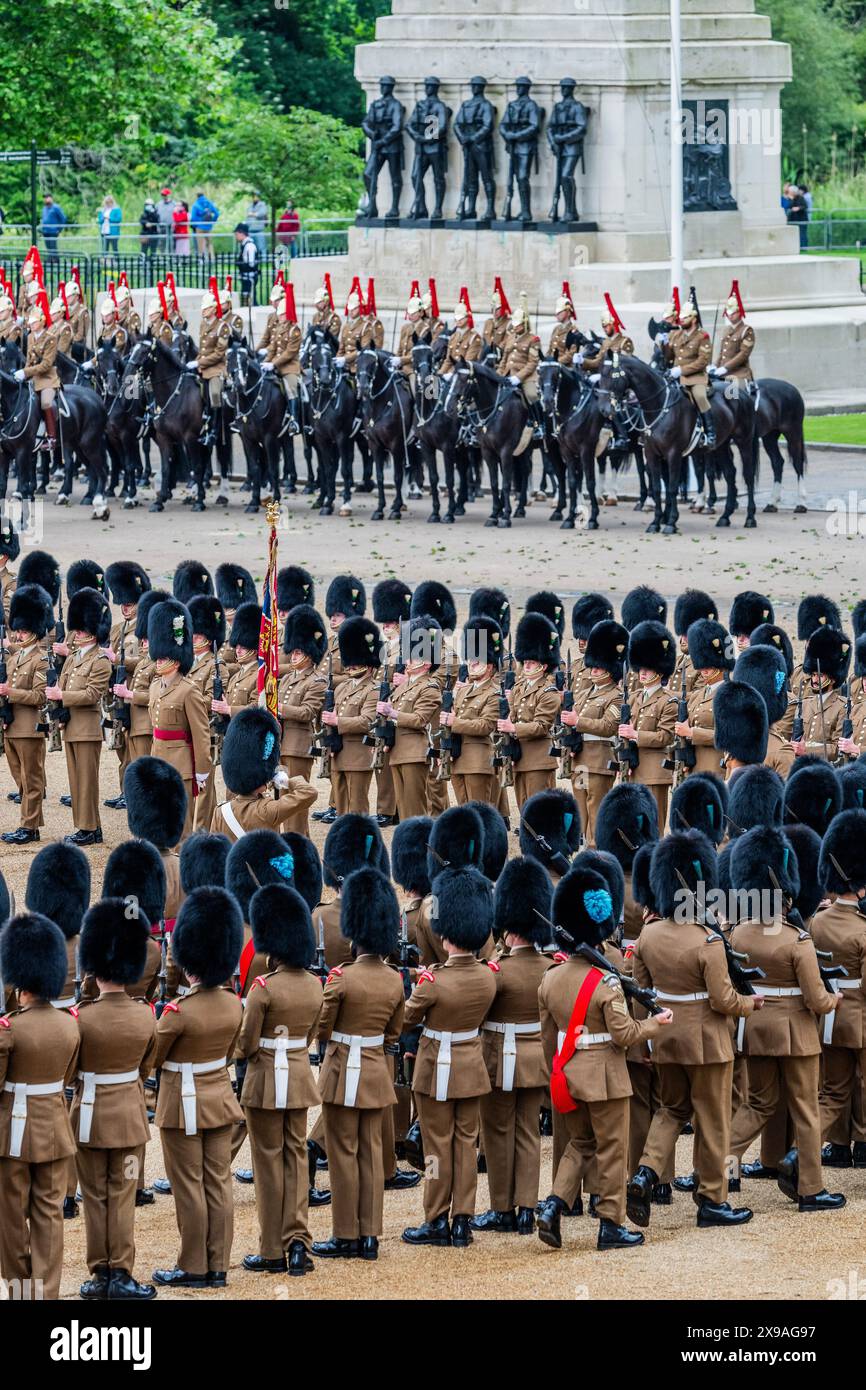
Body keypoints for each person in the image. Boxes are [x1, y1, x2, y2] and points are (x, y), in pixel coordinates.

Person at [536, 865, 672, 1251]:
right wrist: (656, 1026)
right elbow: (625, 1034)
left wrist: (557, 1070)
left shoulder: (551, 977)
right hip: (606, 1075)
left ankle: (553, 1204)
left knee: (580, 1143)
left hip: (569, 1071)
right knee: (612, 1148)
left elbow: (549, 1036)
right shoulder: (607, 982)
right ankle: (611, 1224)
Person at [628, 831, 759, 1230]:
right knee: (713, 1118)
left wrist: (646, 1037)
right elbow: (723, 1001)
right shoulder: (707, 941)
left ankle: (646, 1173)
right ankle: (712, 1199)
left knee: (671, 1109)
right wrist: (751, 1004)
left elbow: (642, 995)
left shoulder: (648, 936)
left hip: (665, 1037)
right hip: (707, 1042)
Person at [727, 827, 844, 1213]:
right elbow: (814, 997)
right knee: (806, 1107)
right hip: (796, 1034)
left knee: (757, 1104)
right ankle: (810, 1189)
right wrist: (833, 1000)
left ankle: (719, 1167)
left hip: (757, 1029)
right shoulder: (797, 939)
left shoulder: (738, 935)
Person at [401, 864, 498, 1248]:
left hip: (436, 1069)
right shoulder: (487, 977)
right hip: (471, 1068)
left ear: (445, 935)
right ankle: (463, 1220)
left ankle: (436, 1217)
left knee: (436, 1149)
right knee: (465, 1144)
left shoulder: (432, 982)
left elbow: (406, 1018)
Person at [152, 887, 244, 1289]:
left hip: (183, 1105)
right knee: (218, 1182)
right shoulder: (233, 1005)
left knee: (189, 1186)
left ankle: (193, 1265)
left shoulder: (178, 1014)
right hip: (220, 1100)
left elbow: (152, 1057)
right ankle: (218, 1263)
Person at [313, 866, 404, 1261]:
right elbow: (394, 1034)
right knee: (370, 1151)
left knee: (342, 1153)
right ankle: (370, 1235)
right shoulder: (394, 979)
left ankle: (345, 1233)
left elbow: (322, 1026)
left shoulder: (341, 978)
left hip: (341, 1070)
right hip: (374, 1071)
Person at [73, 900, 158, 1301]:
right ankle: (121, 1272)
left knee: (94, 1197)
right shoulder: (146, 1016)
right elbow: (146, 1068)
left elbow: (70, 1070)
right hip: (127, 1116)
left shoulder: (81, 1017)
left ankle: (99, 1274)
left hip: (88, 1118)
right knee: (123, 1194)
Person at [237, 883, 323, 1276]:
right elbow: (309, 1037)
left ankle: (272, 1248)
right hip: (299, 1076)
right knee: (296, 1156)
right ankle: (299, 1242)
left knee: (268, 1163)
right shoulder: (314, 985)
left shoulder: (263, 989)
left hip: (266, 1078)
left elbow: (246, 1043)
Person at [0, 913, 80, 1301]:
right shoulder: (70, 1025)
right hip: (54, 1128)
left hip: (13, 1134)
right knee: (49, 1213)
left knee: (11, 1216)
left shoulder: (9, 1028)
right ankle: (46, 1294)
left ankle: (20, 1292)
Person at [473, 858, 552, 1235]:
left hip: (499, 1059)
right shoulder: (550, 965)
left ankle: (502, 1208)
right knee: (529, 1131)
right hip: (536, 1060)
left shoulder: (497, 969)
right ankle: (527, 1207)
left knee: (498, 1132)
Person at [50, 586, 113, 847]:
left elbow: (91, 695)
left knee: (86, 781)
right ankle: (88, 826)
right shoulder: (75, 657)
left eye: (83, 628)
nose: (79, 633)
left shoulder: (100, 661)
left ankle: (88, 828)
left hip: (87, 727)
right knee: (76, 780)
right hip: (72, 725)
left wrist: (61, 697)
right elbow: (63, 683)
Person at [145, 598, 211, 840]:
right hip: (159, 761)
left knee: (181, 826)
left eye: (164, 657)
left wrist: (201, 771)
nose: (159, 660)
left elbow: (201, 734)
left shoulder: (189, 690)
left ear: (175, 658)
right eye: (158, 657)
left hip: (182, 767)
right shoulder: (154, 687)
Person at [0, 584, 52, 845]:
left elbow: (39, 696)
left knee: (31, 780)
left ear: (33, 631)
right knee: (19, 778)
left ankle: (29, 827)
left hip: (30, 726)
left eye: (22, 630)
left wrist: (11, 692)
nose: (18, 635)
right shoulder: (14, 659)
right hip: (11, 725)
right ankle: (29, 823)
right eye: (17, 630)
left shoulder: (40, 660)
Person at [234, 222, 258, 305]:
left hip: (249, 277)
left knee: (250, 300)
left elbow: (251, 264)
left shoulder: (249, 246)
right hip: (246, 277)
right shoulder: (245, 245)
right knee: (247, 299)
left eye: (236, 234)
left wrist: (240, 264)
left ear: (242, 233)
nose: (236, 236)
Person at [191, 192, 220, 257]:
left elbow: (193, 217)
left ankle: (201, 259)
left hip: (199, 227)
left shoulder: (196, 205)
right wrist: (212, 221)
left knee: (200, 243)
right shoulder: (209, 203)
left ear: (197, 197)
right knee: (209, 243)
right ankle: (212, 258)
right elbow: (217, 214)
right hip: (208, 226)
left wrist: (196, 224)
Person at [41, 193, 67, 257]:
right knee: (48, 248)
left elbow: (63, 218)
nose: (46, 199)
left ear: (51, 198)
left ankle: (55, 261)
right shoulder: (44, 208)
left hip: (53, 231)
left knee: (53, 248)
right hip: (45, 231)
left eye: (47, 197)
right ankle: (50, 261)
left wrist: (59, 229)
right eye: (45, 198)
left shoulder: (56, 207)